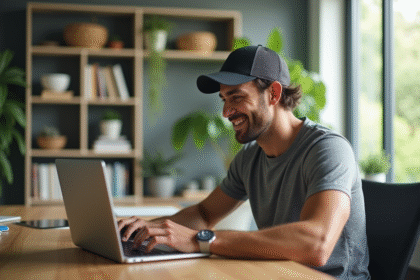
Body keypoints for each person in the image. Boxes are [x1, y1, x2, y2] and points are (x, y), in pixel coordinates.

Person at [118, 45, 370, 279]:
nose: (226, 112)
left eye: (236, 97)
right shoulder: (250, 158)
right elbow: (204, 213)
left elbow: (317, 244)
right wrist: (144, 230)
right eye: (224, 100)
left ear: (273, 93)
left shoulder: (327, 149)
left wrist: (203, 240)